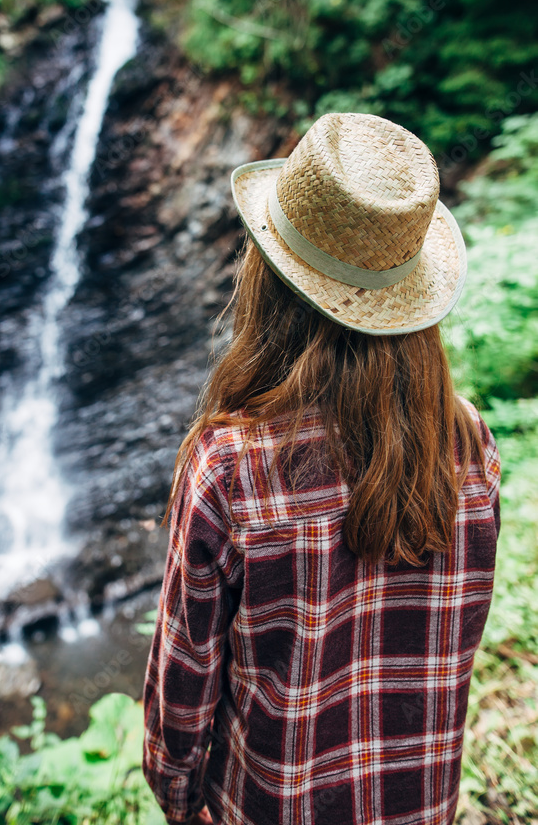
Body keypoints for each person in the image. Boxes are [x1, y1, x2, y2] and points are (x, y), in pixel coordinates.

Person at [142, 112, 501, 825]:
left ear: (268, 279)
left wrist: (183, 804)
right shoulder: (468, 444)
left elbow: (178, 710)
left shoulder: (231, 468)